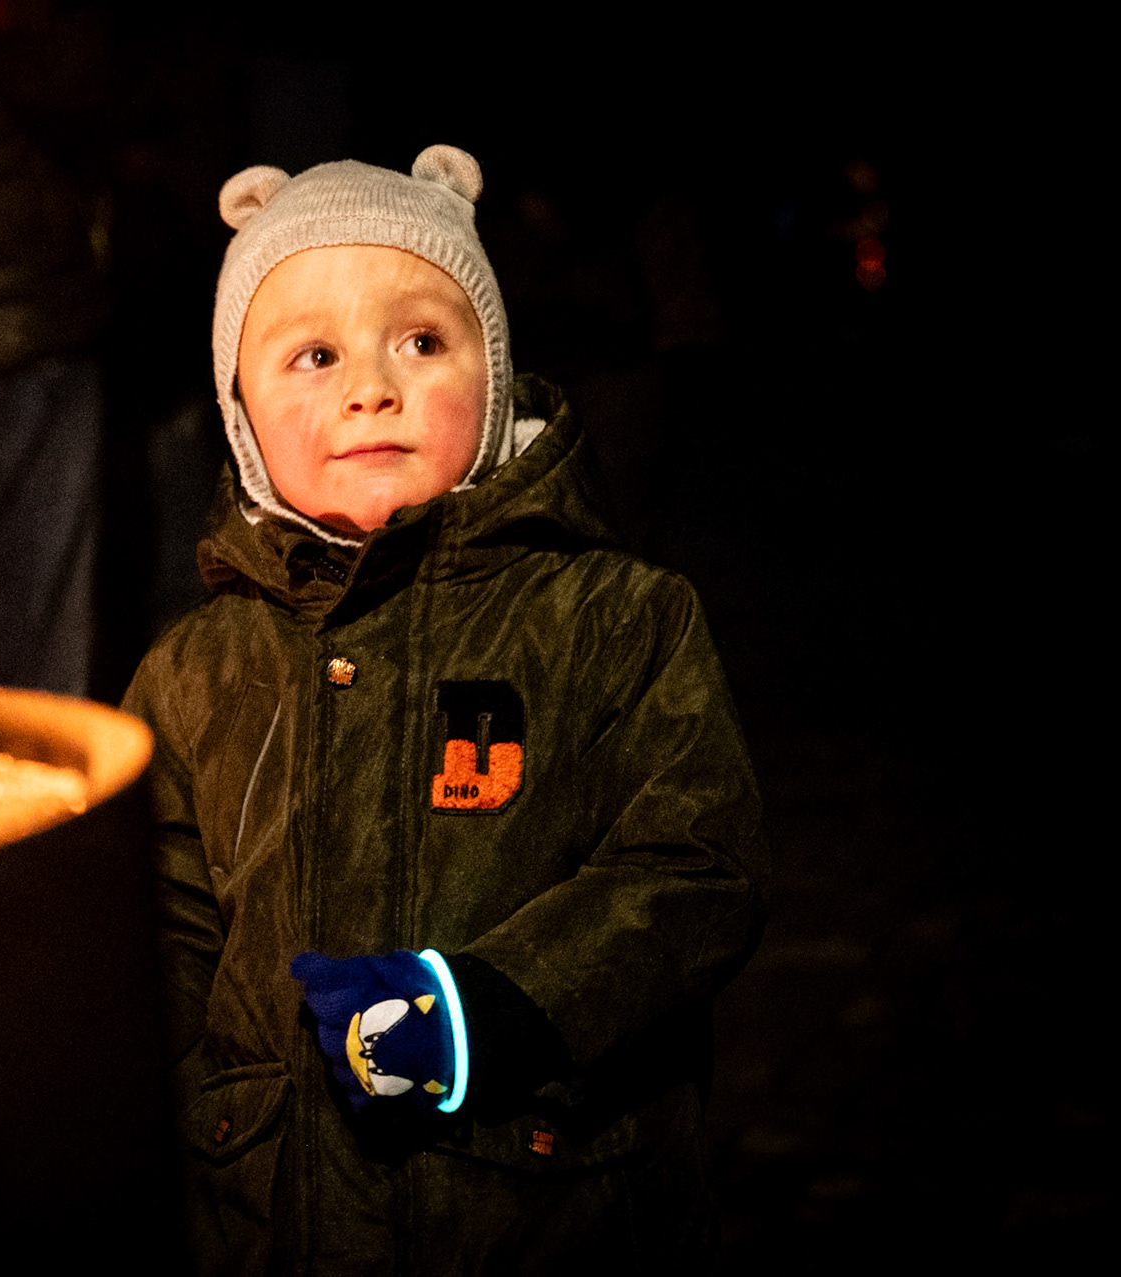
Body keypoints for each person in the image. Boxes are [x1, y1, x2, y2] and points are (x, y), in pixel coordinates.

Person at [120, 146, 769, 1272]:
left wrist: (492, 1009)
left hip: (545, 1213)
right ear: (241, 417)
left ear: (496, 373)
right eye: (314, 355)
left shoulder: (615, 619)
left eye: (422, 342)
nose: (371, 387)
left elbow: (698, 867)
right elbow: (157, 930)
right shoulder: (193, 675)